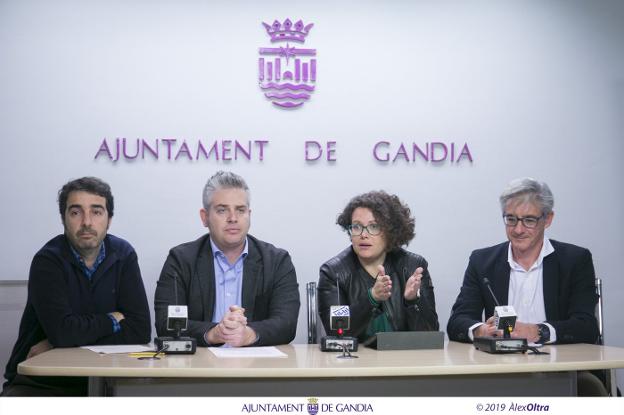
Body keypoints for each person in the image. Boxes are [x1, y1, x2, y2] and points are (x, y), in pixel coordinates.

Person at [2, 177, 151, 396]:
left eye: (97, 212)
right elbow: (62, 332)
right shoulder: (47, 261)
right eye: (76, 212)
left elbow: (140, 329)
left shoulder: (124, 254)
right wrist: (113, 318)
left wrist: (58, 343)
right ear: (63, 218)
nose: (87, 222)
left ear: (109, 220)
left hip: (107, 380)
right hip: (42, 382)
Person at [154, 171, 300, 347]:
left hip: (257, 368)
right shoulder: (181, 260)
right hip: (198, 367)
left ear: (249, 214)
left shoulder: (277, 262)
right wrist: (214, 333)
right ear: (205, 217)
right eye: (222, 210)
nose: (233, 218)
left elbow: (287, 324)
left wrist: (249, 334)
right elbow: (165, 323)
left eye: (240, 210)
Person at [447, 177, 599, 345]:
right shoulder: (482, 262)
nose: (518, 230)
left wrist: (538, 331)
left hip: (559, 365)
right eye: (511, 219)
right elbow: (457, 322)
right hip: (500, 366)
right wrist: (481, 331)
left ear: (547, 219)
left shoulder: (575, 260)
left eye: (529, 220)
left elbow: (586, 327)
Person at [317, 191, 439, 345]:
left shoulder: (412, 267)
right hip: (355, 364)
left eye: (374, 227)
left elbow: (430, 334)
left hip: (405, 362)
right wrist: (372, 298)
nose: (363, 235)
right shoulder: (334, 272)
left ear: (391, 232)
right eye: (356, 227)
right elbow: (336, 333)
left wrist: (412, 301)